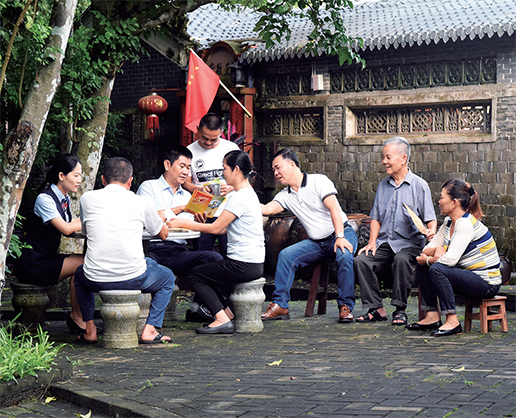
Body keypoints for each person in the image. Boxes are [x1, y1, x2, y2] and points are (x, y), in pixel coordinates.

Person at [74, 157, 175, 344]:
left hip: (95, 277)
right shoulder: (142, 201)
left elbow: (85, 231)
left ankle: (90, 330)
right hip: (134, 277)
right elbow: (162, 233)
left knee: (79, 275)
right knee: (167, 278)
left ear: (103, 179)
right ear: (130, 181)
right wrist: (162, 220)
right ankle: (150, 329)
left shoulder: (87, 198)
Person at [168, 150, 265, 334]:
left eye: (224, 168)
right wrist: (197, 224)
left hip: (243, 264)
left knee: (195, 275)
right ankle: (226, 314)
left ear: (236, 170)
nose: (223, 173)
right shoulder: (248, 194)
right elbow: (222, 229)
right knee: (208, 272)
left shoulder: (239, 197)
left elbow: (215, 228)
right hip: (253, 262)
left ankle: (221, 319)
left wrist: (183, 223)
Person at [260, 148, 358, 323]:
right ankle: (280, 305)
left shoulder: (318, 181)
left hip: (342, 233)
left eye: (277, 168)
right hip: (316, 244)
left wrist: (340, 236)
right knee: (286, 255)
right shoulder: (285, 195)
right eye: (273, 170)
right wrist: (238, 192)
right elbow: (266, 209)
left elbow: (334, 209)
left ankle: (346, 306)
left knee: (344, 254)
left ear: (292, 164)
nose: (275, 173)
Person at [354, 137, 437, 326]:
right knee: (361, 260)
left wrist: (431, 231)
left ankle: (400, 309)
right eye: (383, 157)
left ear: (403, 158)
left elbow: (430, 219)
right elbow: (376, 218)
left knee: (401, 259)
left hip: (410, 245)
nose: (384, 161)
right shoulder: (383, 185)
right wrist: (372, 242)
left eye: (388, 157)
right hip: (385, 243)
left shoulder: (419, 185)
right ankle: (376, 308)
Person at [136, 146, 223, 320]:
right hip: (152, 249)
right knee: (146, 265)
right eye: (182, 166)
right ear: (167, 165)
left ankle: (203, 308)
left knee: (214, 259)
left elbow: (186, 228)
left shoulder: (188, 196)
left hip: (177, 251)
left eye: (189, 167)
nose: (185, 172)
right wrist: (181, 208)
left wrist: (197, 222)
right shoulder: (149, 187)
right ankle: (147, 317)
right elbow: (150, 218)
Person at [407, 179, 502, 336]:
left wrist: (429, 259)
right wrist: (437, 249)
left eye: (442, 197)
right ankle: (432, 316)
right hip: (468, 276)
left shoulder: (465, 224)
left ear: (454, 202)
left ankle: (452, 321)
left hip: (486, 283)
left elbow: (451, 260)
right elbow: (425, 250)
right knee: (423, 266)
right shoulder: (448, 222)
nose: (439, 201)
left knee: (436, 268)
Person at [13, 154, 86, 334]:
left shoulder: (64, 198)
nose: (79, 180)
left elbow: (71, 223)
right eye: (76, 175)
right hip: (31, 265)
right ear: (61, 176)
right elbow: (66, 228)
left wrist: (85, 220)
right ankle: (77, 318)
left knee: (83, 263)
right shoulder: (45, 199)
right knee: (83, 263)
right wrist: (90, 219)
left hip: (46, 259)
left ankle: (78, 318)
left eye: (81, 175)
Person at [184, 113, 239, 258]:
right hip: (202, 212)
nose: (208, 143)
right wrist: (199, 189)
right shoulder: (189, 151)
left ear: (221, 133)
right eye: (205, 138)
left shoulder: (231, 148)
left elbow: (243, 178)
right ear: (198, 130)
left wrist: (230, 188)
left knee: (230, 254)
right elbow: (185, 182)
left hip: (228, 211)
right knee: (204, 255)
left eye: (214, 139)